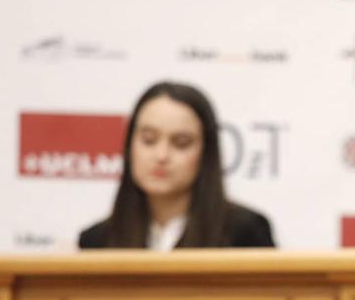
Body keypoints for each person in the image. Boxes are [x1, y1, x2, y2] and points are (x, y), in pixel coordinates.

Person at [79, 81, 275, 249]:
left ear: (206, 152)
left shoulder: (245, 232)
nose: (162, 155)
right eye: (149, 140)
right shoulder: (96, 241)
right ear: (130, 145)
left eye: (181, 143)